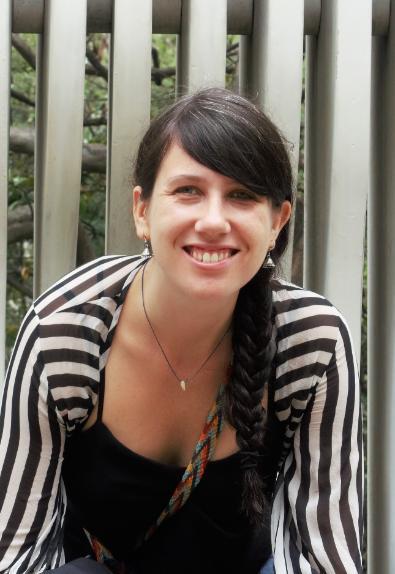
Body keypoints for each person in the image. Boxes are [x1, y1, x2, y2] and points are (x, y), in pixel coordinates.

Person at [0, 87, 363, 574]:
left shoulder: (310, 344)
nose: (213, 221)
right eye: (188, 190)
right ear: (142, 210)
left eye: (241, 195)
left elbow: (326, 560)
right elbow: (17, 554)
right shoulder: (65, 334)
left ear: (277, 221)